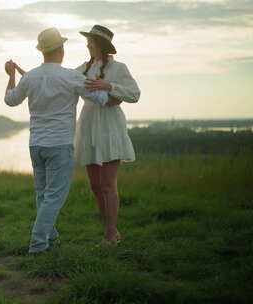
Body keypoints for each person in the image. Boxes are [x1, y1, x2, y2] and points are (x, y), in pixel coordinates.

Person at [4, 27, 119, 254]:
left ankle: (52, 237)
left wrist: (11, 77)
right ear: (61, 49)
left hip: (36, 145)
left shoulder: (31, 77)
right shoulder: (70, 76)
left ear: (42, 51)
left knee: (43, 194)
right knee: (54, 196)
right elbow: (100, 97)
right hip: (59, 146)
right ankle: (38, 244)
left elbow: (10, 100)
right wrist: (113, 91)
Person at [75, 25, 141, 246]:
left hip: (110, 126)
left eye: (91, 41)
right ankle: (110, 229)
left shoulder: (119, 68)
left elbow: (134, 94)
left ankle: (111, 235)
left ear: (101, 45)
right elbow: (59, 81)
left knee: (107, 184)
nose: (88, 44)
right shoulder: (82, 68)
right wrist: (32, 77)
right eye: (88, 41)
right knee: (95, 185)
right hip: (88, 125)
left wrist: (109, 85)